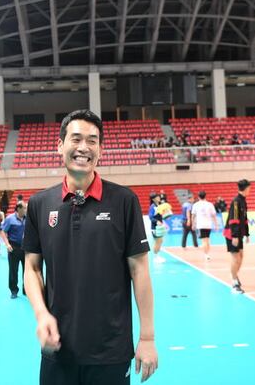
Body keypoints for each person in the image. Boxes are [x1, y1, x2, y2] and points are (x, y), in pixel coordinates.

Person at [23, 110, 158, 385]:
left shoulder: (124, 201)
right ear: (60, 145)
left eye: (92, 141)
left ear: (101, 150)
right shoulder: (39, 204)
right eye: (76, 139)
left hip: (111, 351)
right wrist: (41, 313)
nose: (84, 147)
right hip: (58, 350)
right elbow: (32, 269)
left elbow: (140, 270)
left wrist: (147, 337)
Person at [224, 179, 251, 294]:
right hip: (232, 233)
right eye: (249, 188)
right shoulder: (236, 201)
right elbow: (233, 219)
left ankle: (234, 275)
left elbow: (244, 219)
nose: (250, 190)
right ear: (245, 188)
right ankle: (234, 284)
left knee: (241, 257)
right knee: (236, 258)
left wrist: (247, 234)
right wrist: (234, 235)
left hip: (239, 233)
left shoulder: (243, 201)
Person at [0, 201, 27, 299]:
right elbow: (3, 232)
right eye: (24, 208)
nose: (26, 210)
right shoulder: (10, 219)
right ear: (19, 209)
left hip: (26, 248)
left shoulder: (27, 218)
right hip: (13, 248)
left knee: (27, 270)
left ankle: (26, 289)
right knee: (13, 271)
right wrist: (7, 244)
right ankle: (14, 290)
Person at [191, 191, 218, 261]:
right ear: (205, 196)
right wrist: (216, 225)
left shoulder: (196, 205)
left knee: (204, 241)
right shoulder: (210, 204)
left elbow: (193, 215)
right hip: (208, 225)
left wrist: (193, 224)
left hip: (201, 225)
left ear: (198, 197)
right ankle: (207, 253)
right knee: (207, 240)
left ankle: (206, 255)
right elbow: (214, 215)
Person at [148, 193, 164, 263]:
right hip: (155, 228)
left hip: (159, 227)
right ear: (153, 199)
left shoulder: (159, 206)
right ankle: (155, 257)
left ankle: (158, 256)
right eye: (157, 197)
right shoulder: (153, 207)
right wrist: (157, 221)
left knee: (160, 241)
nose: (159, 198)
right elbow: (150, 217)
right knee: (157, 242)